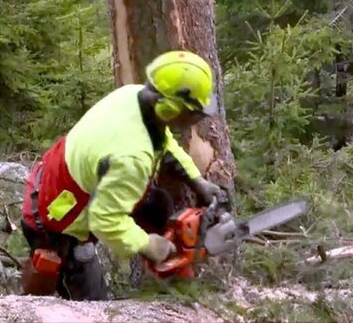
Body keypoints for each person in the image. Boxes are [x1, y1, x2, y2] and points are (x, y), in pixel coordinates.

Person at [18, 50, 224, 301]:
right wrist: (146, 244)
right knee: (91, 301)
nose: (195, 120)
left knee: (159, 206)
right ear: (170, 109)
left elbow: (163, 141)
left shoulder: (135, 96)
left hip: (66, 178)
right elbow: (104, 221)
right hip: (56, 220)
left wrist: (196, 179)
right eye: (194, 113)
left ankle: (171, 281)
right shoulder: (132, 158)